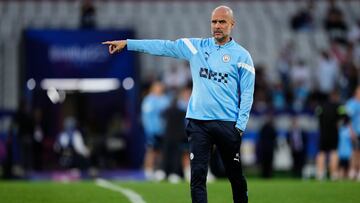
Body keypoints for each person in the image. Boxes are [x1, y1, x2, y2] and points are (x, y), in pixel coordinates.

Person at [103, 5, 255, 203]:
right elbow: (164, 46)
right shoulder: (196, 47)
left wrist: (240, 126)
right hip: (198, 123)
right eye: (214, 21)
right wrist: (128, 43)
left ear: (232, 24)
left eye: (222, 22)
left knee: (235, 177)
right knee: (197, 178)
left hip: (227, 124)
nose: (217, 26)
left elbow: (248, 93)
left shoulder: (242, 56)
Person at [141, 81, 169, 180]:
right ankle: (148, 171)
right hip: (152, 131)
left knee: (162, 152)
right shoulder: (149, 100)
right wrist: (148, 130)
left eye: (160, 87)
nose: (159, 89)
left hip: (164, 131)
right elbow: (145, 117)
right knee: (151, 151)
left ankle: (159, 171)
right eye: (157, 87)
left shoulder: (166, 99)